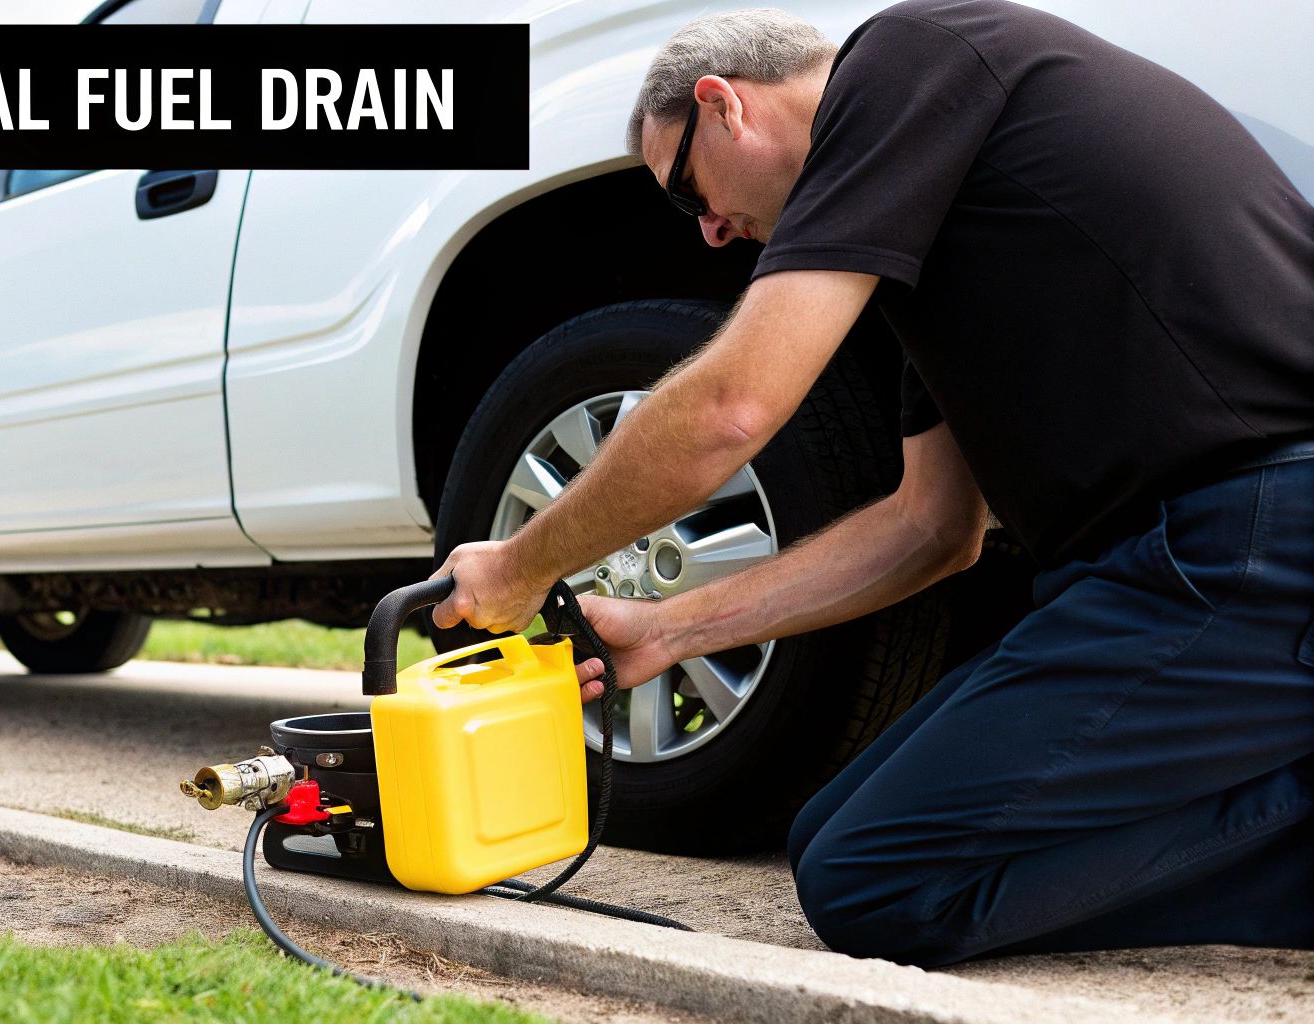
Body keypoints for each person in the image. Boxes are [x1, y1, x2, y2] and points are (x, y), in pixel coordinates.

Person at [430, 0, 1314, 966]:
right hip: (1180, 559)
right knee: (829, 839)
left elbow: (734, 406)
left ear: (725, 107)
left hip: (1259, 533)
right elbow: (932, 528)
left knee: (876, 881)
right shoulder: (931, 247)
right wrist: (672, 629)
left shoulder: (910, 57)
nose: (711, 234)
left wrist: (521, 562)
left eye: (688, 192)